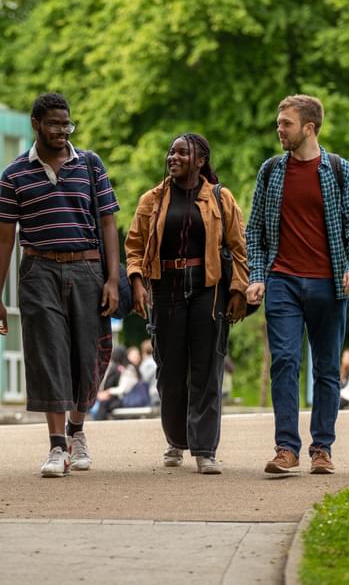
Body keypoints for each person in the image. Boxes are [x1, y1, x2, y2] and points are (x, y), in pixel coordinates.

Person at [0, 92, 120, 478]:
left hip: (87, 269)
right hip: (39, 270)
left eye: (67, 124)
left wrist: (113, 278)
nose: (62, 132)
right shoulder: (14, 174)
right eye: (54, 124)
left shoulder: (91, 165)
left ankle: (77, 430)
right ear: (36, 124)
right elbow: (3, 238)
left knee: (88, 354)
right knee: (48, 354)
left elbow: (109, 223)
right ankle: (57, 446)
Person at [245, 95, 349, 475]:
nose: (279, 129)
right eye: (278, 122)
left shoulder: (338, 170)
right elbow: (255, 231)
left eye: (286, 123)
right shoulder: (271, 171)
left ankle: (322, 449)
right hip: (282, 281)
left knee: (328, 369)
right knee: (284, 361)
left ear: (309, 128)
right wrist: (256, 276)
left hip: (328, 285)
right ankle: (286, 448)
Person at [125, 133, 250, 474]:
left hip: (207, 291)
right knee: (169, 371)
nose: (173, 157)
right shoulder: (152, 199)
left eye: (183, 153)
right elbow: (134, 246)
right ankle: (176, 439)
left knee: (207, 368)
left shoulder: (221, 199)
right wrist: (136, 281)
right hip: (164, 290)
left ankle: (205, 449)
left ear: (200, 161)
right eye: (171, 152)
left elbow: (239, 249)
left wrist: (238, 290)